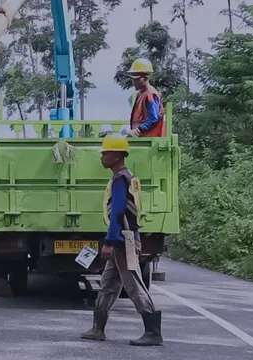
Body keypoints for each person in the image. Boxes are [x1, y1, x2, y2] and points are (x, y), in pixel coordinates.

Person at [81, 135, 163, 346]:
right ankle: (97, 329)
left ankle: (153, 332)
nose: (102, 156)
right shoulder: (127, 177)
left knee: (133, 285)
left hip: (124, 239)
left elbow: (118, 211)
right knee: (108, 284)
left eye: (106, 152)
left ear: (117, 155)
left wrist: (110, 241)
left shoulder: (120, 179)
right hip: (124, 237)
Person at [127, 58, 165, 137]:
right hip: (142, 138)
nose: (134, 82)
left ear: (145, 77)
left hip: (150, 138)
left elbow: (153, 118)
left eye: (136, 79)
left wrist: (138, 130)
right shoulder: (140, 94)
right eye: (133, 79)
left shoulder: (150, 94)